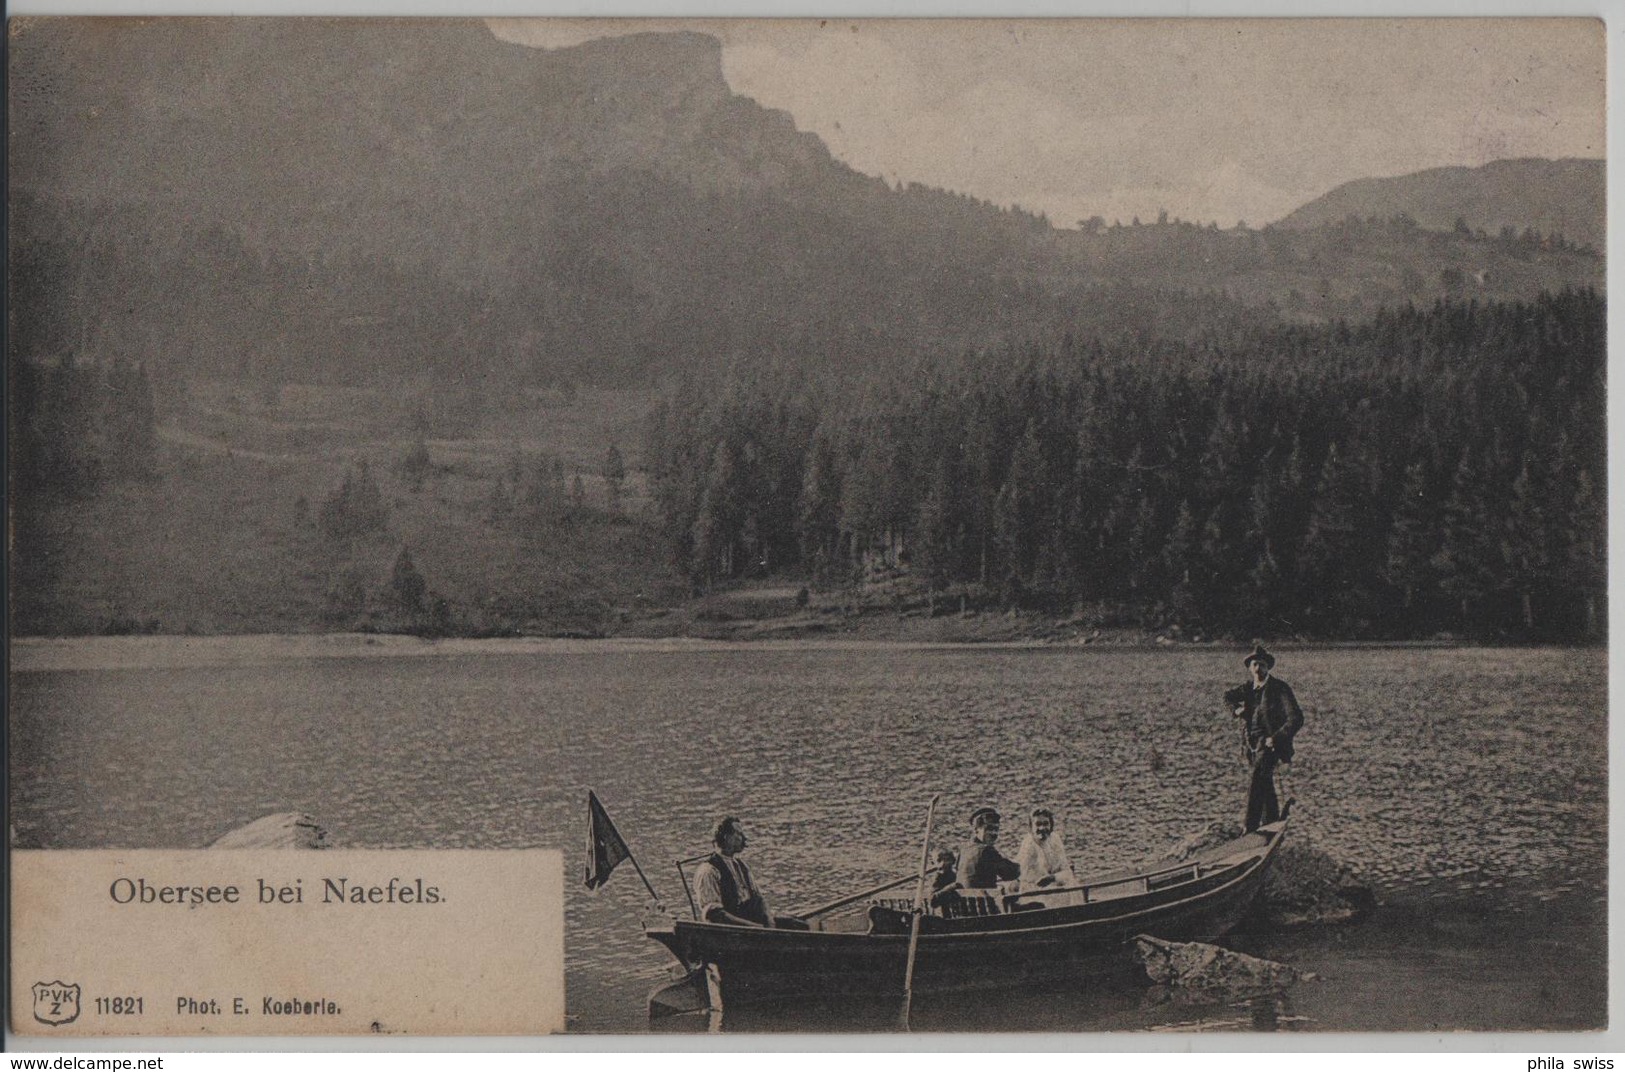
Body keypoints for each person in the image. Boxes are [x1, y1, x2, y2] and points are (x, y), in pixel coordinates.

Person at [1225, 643, 1304, 831]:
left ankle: (1249, 827)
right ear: (1250, 668)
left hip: (1270, 745)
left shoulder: (1279, 688)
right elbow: (1227, 696)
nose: (1258, 668)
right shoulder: (1248, 689)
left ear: (1268, 667)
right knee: (1265, 781)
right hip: (1251, 746)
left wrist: (1276, 737)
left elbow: (1296, 718)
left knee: (1257, 777)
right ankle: (1271, 822)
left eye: (1262, 664)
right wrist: (1237, 710)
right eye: (1254, 665)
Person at [693, 816, 807, 929]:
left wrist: (769, 920)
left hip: (753, 924)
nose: (743, 838)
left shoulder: (741, 866)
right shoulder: (708, 871)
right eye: (738, 834)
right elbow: (715, 916)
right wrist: (756, 927)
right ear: (726, 837)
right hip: (732, 932)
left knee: (799, 925)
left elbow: (758, 898)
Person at [958, 807, 1021, 890]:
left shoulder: (964, 850)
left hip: (966, 901)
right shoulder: (987, 850)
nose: (994, 833)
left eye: (996, 829)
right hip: (985, 901)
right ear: (976, 830)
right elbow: (1011, 874)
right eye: (989, 829)